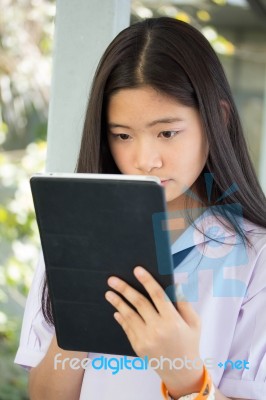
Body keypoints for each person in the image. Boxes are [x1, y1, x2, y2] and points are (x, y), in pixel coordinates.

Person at [15, 17, 266, 400]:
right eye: (122, 135)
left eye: (167, 132)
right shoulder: (73, 234)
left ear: (218, 119)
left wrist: (183, 373)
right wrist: (81, 313)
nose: (145, 158)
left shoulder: (254, 257)